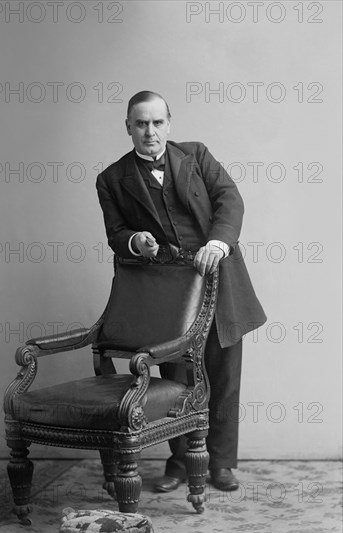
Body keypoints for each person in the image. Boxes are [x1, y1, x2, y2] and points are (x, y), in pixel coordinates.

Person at [96, 91, 266, 493]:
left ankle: (220, 464)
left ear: (169, 124)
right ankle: (181, 461)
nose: (149, 132)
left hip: (219, 280)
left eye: (156, 123)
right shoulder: (111, 179)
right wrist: (136, 241)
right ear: (128, 128)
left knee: (223, 374)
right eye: (141, 124)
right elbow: (116, 233)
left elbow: (230, 199)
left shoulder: (197, 155)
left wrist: (218, 243)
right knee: (176, 379)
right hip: (169, 293)